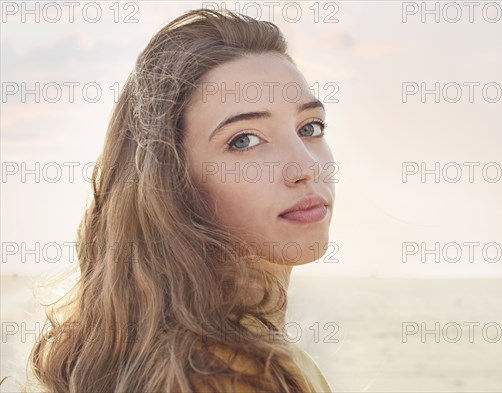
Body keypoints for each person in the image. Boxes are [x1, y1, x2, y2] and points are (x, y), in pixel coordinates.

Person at [27, 8, 336, 393]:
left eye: (310, 128)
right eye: (244, 139)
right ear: (173, 182)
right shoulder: (223, 375)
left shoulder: (185, 354)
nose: (305, 167)